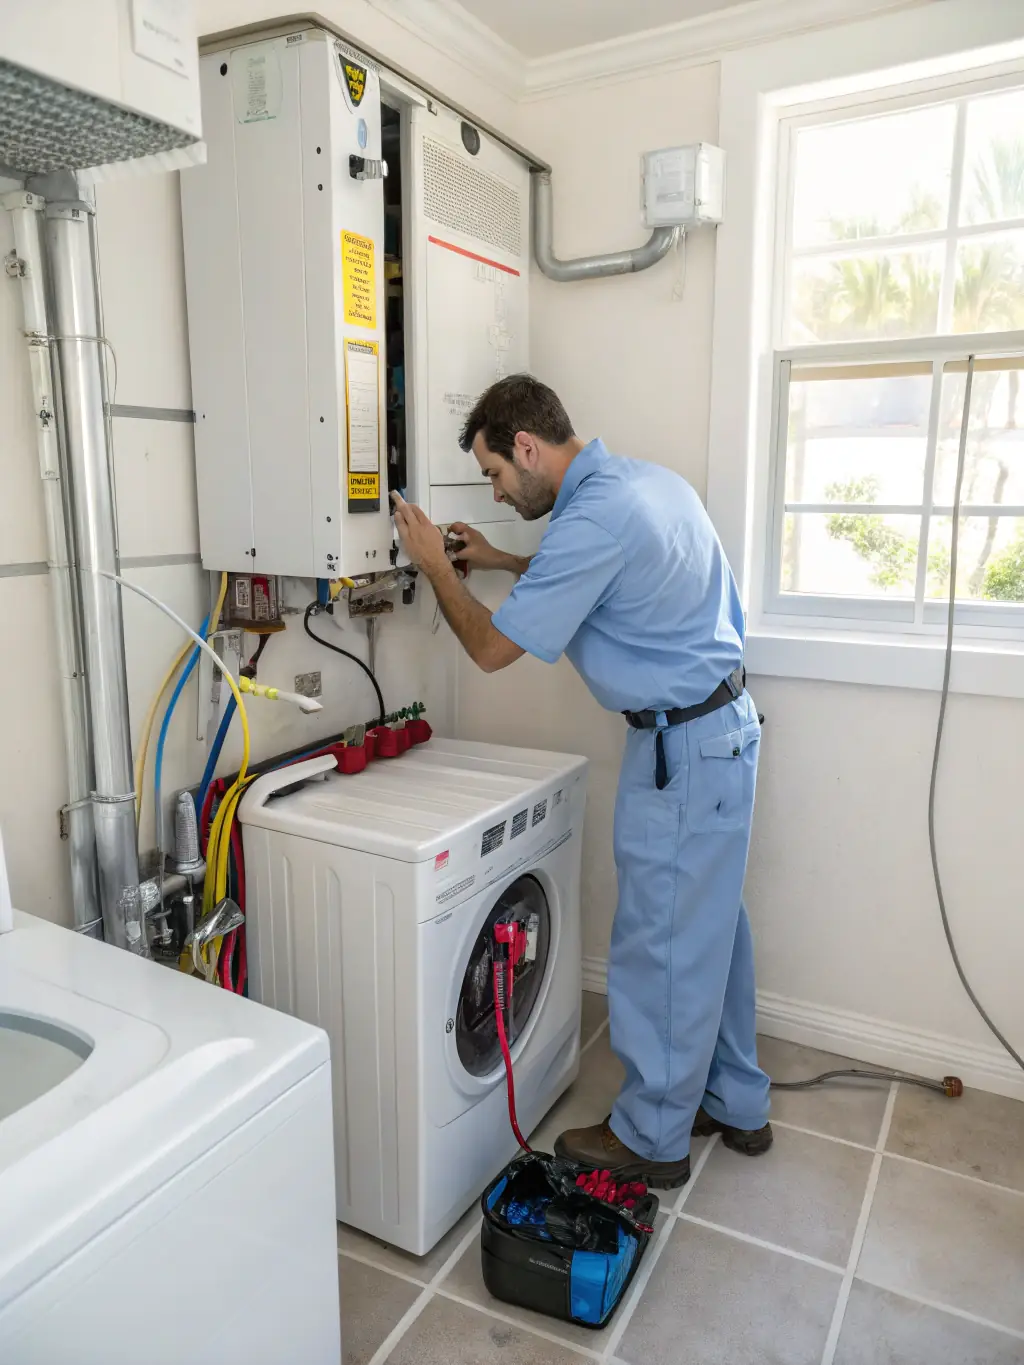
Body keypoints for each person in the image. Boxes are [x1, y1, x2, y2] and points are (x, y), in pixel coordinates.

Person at [391, 374, 771, 1188]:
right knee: (710, 932)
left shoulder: (595, 515)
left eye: (495, 472)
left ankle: (652, 1133)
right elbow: (595, 573)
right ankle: (733, 1097)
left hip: (682, 751)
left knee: (659, 942)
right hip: (724, 735)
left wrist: (438, 568)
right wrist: (496, 558)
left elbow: (493, 651)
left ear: (527, 446)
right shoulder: (644, 486)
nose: (496, 489)